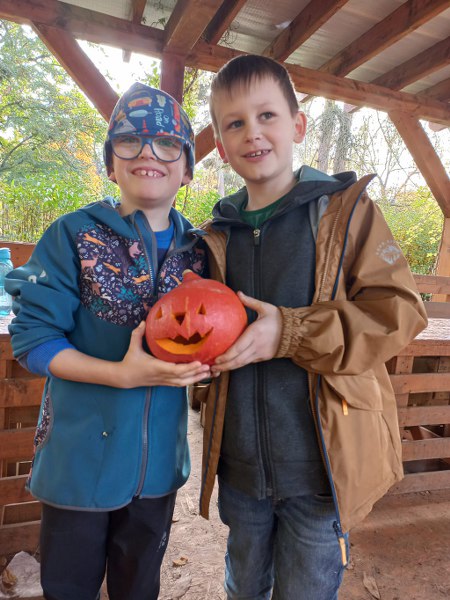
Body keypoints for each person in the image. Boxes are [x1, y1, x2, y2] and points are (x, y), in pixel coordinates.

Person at [197, 54, 428, 600]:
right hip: (241, 469)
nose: (253, 133)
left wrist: (290, 332)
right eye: (235, 123)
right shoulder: (215, 235)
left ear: (297, 125)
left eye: (267, 115)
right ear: (222, 145)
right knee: (243, 586)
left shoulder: (346, 212)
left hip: (322, 468)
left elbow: (399, 310)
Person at [5, 82, 210, 600]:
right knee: (68, 587)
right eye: (129, 141)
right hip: (77, 462)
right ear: (111, 163)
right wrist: (119, 374)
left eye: (167, 144)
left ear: (187, 169)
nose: (148, 153)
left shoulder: (204, 252)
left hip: (159, 466)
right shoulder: (71, 235)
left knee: (138, 587)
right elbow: (32, 339)